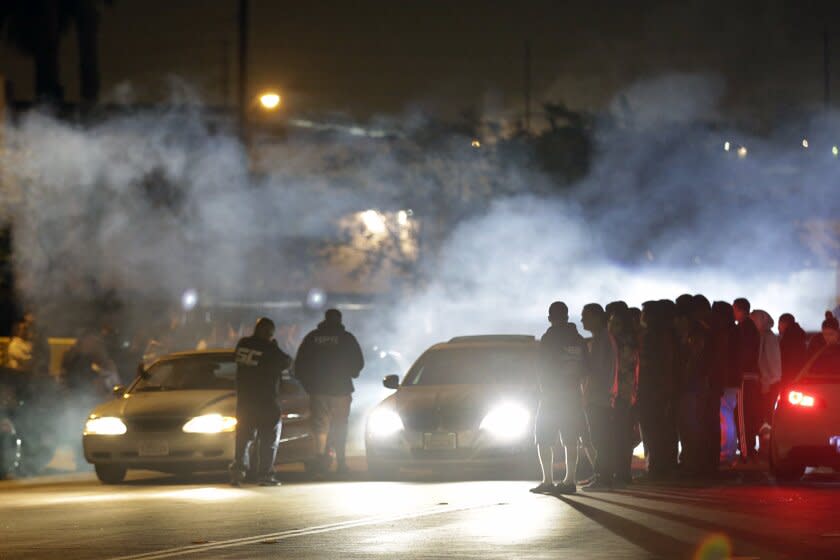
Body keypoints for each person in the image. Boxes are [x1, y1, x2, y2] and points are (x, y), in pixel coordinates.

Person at [294, 308, 364, 476]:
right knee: (340, 425)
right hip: (341, 390)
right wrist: (351, 373)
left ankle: (320, 461)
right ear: (339, 320)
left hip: (318, 391)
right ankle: (341, 463)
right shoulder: (347, 338)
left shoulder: (312, 338)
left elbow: (300, 364)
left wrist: (309, 385)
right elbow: (358, 362)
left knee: (320, 427)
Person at [531, 301, 585, 495]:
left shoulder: (549, 338)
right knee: (571, 437)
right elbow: (584, 368)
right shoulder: (579, 340)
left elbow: (541, 367)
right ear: (567, 316)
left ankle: (547, 480)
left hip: (552, 396)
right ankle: (570, 480)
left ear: (550, 318)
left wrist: (543, 388)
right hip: (572, 395)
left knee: (544, 437)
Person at [230, 317, 291, 487]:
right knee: (268, 439)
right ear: (270, 333)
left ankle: (237, 473)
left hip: (245, 401)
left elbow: (234, 358)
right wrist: (274, 345)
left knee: (243, 438)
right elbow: (287, 361)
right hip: (266, 402)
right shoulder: (270, 349)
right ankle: (265, 475)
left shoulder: (243, 344)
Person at [637, 300, 677, 480]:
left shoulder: (650, 337)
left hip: (650, 390)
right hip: (662, 390)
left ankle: (653, 468)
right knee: (664, 431)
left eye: (644, 312)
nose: (641, 315)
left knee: (651, 431)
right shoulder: (668, 336)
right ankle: (665, 466)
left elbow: (647, 365)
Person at [580, 303, 617, 489]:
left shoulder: (602, 340)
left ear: (596, 317)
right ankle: (601, 475)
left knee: (600, 439)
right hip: (601, 396)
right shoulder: (603, 338)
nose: (582, 320)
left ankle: (604, 478)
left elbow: (597, 370)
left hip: (599, 396)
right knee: (600, 438)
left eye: (585, 316)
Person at [607, 309, 640, 487]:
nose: (611, 326)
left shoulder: (624, 345)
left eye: (616, 323)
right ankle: (621, 473)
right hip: (623, 395)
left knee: (621, 436)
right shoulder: (619, 343)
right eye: (610, 322)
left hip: (622, 395)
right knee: (621, 435)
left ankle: (621, 473)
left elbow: (623, 371)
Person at [733, 298, 761, 461]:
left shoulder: (743, 328)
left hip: (744, 376)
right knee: (749, 415)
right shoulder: (752, 328)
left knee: (742, 416)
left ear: (739, 310)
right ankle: (749, 447)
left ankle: (746, 451)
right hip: (752, 376)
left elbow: (742, 353)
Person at [750, 310, 781, 435]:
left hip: (769, 383)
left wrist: (767, 382)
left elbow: (771, 362)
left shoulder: (767, 337)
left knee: (766, 415)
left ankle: (767, 446)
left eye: (754, 320)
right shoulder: (763, 335)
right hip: (767, 382)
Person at [778, 313, 808, 385]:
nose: (778, 327)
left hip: (788, 375)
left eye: (779, 324)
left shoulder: (788, 339)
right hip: (798, 374)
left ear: (784, 324)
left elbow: (784, 358)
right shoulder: (798, 336)